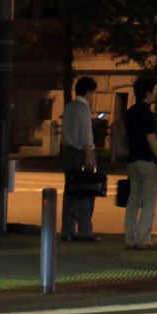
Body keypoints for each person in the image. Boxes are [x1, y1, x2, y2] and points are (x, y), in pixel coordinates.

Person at [122, 77, 157, 250]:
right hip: (148, 161)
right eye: (153, 90)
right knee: (149, 201)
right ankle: (143, 240)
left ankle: (129, 239)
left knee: (133, 201)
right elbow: (151, 139)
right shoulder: (148, 114)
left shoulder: (130, 111)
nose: (155, 93)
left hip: (133, 160)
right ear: (148, 92)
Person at [59, 76, 99, 242]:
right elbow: (86, 137)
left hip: (67, 153)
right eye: (92, 93)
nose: (92, 97)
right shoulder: (84, 108)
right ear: (88, 92)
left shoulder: (68, 107)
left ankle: (67, 231)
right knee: (85, 193)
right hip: (80, 153)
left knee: (70, 192)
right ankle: (85, 232)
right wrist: (90, 158)